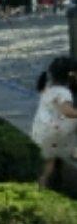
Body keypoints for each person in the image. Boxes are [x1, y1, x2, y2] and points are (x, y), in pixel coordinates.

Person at [31, 56, 77, 187]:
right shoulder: (64, 93)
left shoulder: (47, 88)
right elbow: (67, 111)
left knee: (49, 162)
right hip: (54, 134)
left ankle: (41, 183)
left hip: (40, 132)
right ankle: (74, 150)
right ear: (71, 75)